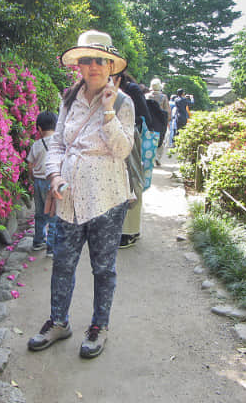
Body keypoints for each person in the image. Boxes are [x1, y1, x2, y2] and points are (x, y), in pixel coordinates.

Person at [27, 30, 134, 359]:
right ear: (79, 65)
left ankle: (99, 326)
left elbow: (122, 149)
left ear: (110, 65)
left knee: (103, 267)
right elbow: (58, 143)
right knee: (62, 263)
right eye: (86, 60)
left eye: (100, 60)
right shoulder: (69, 98)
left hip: (107, 200)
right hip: (69, 198)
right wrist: (55, 175)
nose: (93, 66)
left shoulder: (123, 102)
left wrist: (107, 112)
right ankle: (59, 321)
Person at [116, 71, 153, 249]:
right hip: (120, 138)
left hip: (131, 137)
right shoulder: (122, 89)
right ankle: (128, 230)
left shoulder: (130, 90)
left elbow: (144, 116)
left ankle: (130, 232)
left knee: (132, 181)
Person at [26, 111, 58, 257]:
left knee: (40, 213)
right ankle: (51, 247)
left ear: (39, 128)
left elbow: (30, 165)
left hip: (38, 182)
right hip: (53, 182)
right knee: (53, 215)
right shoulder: (59, 143)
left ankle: (38, 241)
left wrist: (32, 178)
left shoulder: (36, 145)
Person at [146, 78, 170, 165]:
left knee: (149, 139)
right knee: (161, 140)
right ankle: (157, 157)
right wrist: (167, 121)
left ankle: (150, 157)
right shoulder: (163, 97)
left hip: (149, 121)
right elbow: (167, 110)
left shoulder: (147, 96)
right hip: (160, 121)